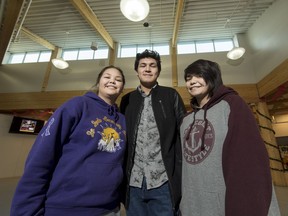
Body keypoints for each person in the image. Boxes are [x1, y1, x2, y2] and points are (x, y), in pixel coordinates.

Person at [11, 65, 127, 216]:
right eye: (107, 77)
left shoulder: (122, 120)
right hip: (66, 207)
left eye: (118, 79)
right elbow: (42, 156)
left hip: (110, 209)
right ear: (98, 83)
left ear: (122, 87)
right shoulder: (77, 105)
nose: (112, 81)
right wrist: (26, 210)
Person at [180, 59, 281, 216]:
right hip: (192, 204)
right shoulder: (185, 120)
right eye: (188, 78)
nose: (192, 81)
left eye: (199, 75)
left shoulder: (232, 105)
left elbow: (249, 161)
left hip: (223, 203)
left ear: (212, 77)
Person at [120, 49, 186, 216]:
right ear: (137, 70)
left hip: (163, 182)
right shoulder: (127, 99)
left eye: (152, 65)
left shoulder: (171, 95)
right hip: (133, 183)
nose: (147, 69)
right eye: (143, 65)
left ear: (158, 70)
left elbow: (183, 133)